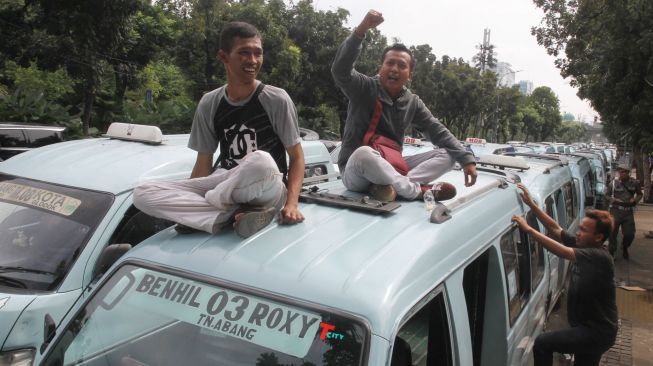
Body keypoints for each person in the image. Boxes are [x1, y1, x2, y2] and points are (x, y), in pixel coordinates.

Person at [133, 21, 305, 238]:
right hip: (226, 182)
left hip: (267, 185)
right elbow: (203, 163)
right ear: (224, 57)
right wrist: (192, 191)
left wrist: (291, 204)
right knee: (142, 193)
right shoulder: (209, 103)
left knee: (260, 161)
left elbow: (297, 158)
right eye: (244, 53)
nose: (253, 60)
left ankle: (210, 212)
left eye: (258, 53)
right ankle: (231, 214)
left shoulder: (276, 99)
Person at [331, 9, 477, 202]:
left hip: (391, 167)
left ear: (410, 75)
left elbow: (436, 130)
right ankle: (417, 191)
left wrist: (467, 159)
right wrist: (362, 29)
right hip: (357, 171)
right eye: (389, 63)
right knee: (363, 153)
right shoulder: (363, 87)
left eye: (402, 65)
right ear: (380, 67)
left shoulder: (412, 102)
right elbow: (340, 70)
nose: (394, 69)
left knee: (450, 154)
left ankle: (392, 187)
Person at [512, 183, 617, 366]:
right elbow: (555, 229)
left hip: (596, 332)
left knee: (543, 343)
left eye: (583, 230)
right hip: (591, 329)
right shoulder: (583, 244)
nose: (577, 232)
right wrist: (532, 206)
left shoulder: (599, 256)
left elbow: (562, 252)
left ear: (599, 237)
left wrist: (528, 230)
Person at [606, 163, 642, 259]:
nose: (623, 174)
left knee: (629, 234)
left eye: (625, 172)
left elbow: (639, 194)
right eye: (621, 172)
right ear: (619, 172)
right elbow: (606, 195)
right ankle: (612, 251)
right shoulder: (613, 183)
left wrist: (635, 200)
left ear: (628, 173)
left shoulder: (634, 183)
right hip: (616, 211)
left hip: (628, 212)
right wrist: (614, 200)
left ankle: (625, 246)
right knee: (612, 233)